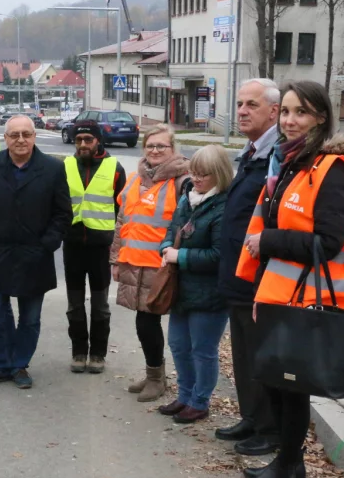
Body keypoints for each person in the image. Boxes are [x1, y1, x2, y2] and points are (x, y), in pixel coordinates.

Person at [234, 80, 344, 478]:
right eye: (287, 112)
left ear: (321, 117)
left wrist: (269, 240)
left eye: (301, 113)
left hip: (306, 299)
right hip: (278, 295)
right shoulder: (295, 162)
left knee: (291, 387)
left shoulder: (333, 169)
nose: (290, 121)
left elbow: (328, 242)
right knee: (279, 383)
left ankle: (287, 465)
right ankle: (289, 465)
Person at [0, 115, 72, 389]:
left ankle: (19, 365)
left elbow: (63, 214)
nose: (21, 140)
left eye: (26, 134)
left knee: (30, 318)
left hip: (35, 256)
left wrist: (47, 244)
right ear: (5, 138)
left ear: (34, 137)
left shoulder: (53, 168)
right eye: (14, 135)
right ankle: (0, 365)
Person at [215, 78, 283, 457]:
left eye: (251, 105)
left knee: (262, 356)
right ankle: (251, 418)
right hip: (238, 275)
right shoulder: (253, 152)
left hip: (260, 278)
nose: (241, 111)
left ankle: (270, 430)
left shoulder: (278, 156)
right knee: (243, 355)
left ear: (274, 112)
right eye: (240, 104)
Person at [110, 124, 191, 402]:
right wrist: (116, 258)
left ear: (173, 149)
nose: (155, 151)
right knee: (144, 323)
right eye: (150, 146)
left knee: (151, 323)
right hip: (134, 264)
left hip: (163, 267)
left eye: (161, 146)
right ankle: (154, 374)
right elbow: (122, 221)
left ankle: (161, 380)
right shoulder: (135, 179)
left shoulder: (183, 181)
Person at [157, 145, 233, 423]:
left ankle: (200, 402)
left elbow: (220, 256)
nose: (196, 179)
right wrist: (166, 247)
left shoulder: (225, 206)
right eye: (194, 172)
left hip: (210, 294)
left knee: (202, 350)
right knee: (178, 345)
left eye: (204, 174)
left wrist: (180, 256)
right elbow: (173, 229)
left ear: (219, 174)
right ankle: (185, 395)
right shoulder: (188, 197)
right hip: (183, 289)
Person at [62, 119, 127, 374]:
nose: (83, 144)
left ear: (98, 140)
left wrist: (119, 249)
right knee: (74, 305)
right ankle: (79, 352)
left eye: (88, 139)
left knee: (100, 306)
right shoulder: (66, 166)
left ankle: (98, 354)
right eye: (78, 140)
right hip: (73, 246)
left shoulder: (115, 168)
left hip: (101, 248)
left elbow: (123, 212)